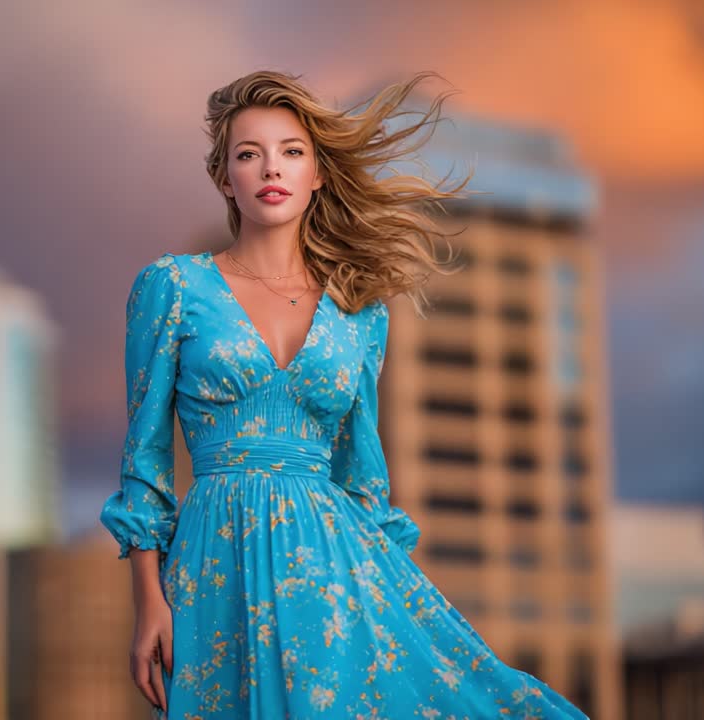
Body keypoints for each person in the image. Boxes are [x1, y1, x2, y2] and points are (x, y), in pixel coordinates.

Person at [99, 69, 590, 719]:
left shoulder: (359, 311)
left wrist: (391, 600)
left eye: (292, 152)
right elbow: (145, 460)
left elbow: (363, 474)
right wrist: (148, 599)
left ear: (318, 175)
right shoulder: (173, 286)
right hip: (213, 565)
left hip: (334, 570)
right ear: (225, 179)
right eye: (249, 155)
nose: (271, 168)